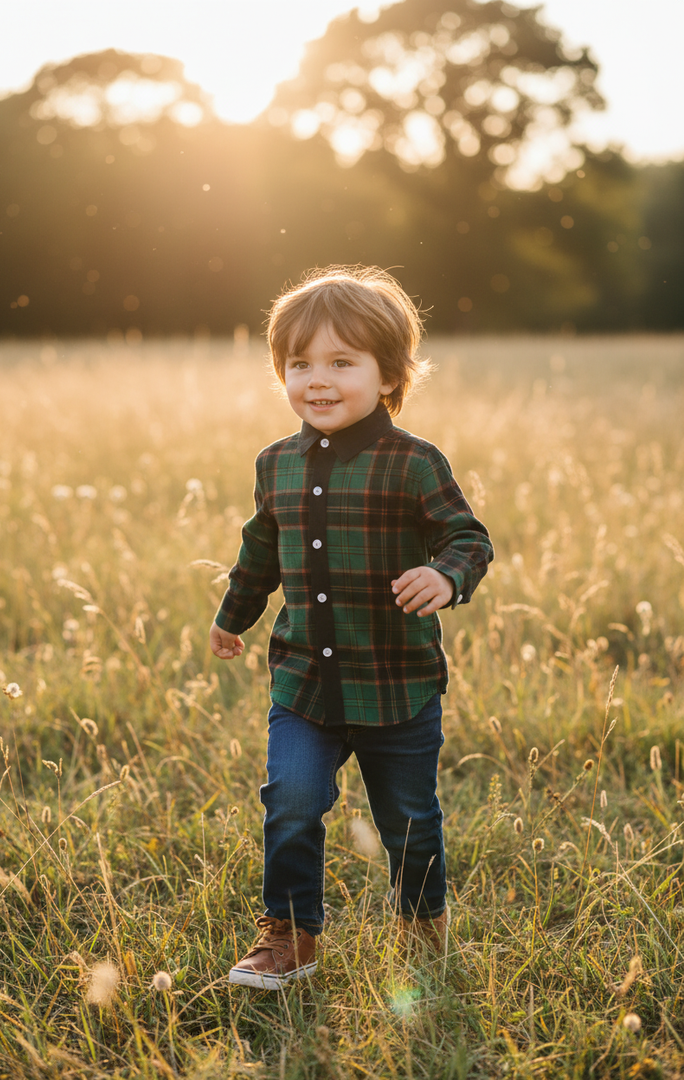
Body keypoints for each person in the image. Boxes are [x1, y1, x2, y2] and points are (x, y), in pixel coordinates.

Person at [209, 265, 493, 990]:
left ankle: (422, 928)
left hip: (395, 687)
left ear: (389, 374)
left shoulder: (413, 463)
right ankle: (291, 939)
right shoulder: (277, 463)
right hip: (304, 683)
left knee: (409, 821)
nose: (318, 380)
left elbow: (469, 538)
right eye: (299, 364)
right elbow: (258, 552)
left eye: (342, 362)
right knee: (292, 803)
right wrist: (231, 618)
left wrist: (445, 575)